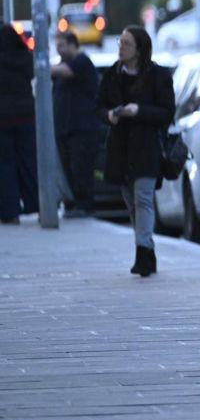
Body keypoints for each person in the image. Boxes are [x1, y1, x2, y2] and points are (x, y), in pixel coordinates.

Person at [97, 26, 174, 277]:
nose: (121, 47)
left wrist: (138, 110)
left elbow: (166, 113)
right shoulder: (112, 75)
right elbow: (98, 106)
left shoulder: (157, 76)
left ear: (139, 49)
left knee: (143, 200)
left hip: (147, 147)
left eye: (127, 44)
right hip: (120, 148)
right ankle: (148, 251)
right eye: (120, 42)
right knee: (132, 205)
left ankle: (142, 255)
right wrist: (110, 115)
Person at [52, 31, 99, 218]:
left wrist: (40, 65)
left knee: (81, 168)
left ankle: (84, 205)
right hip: (65, 129)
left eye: (62, 45)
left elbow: (63, 71)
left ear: (73, 44)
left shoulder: (81, 62)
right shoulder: (63, 66)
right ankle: (72, 204)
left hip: (82, 129)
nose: (59, 50)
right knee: (68, 169)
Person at [0, 24, 39, 224]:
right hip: (25, 116)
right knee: (27, 161)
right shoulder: (25, 57)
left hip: (3, 119)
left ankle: (9, 211)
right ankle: (34, 204)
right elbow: (33, 75)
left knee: (5, 165)